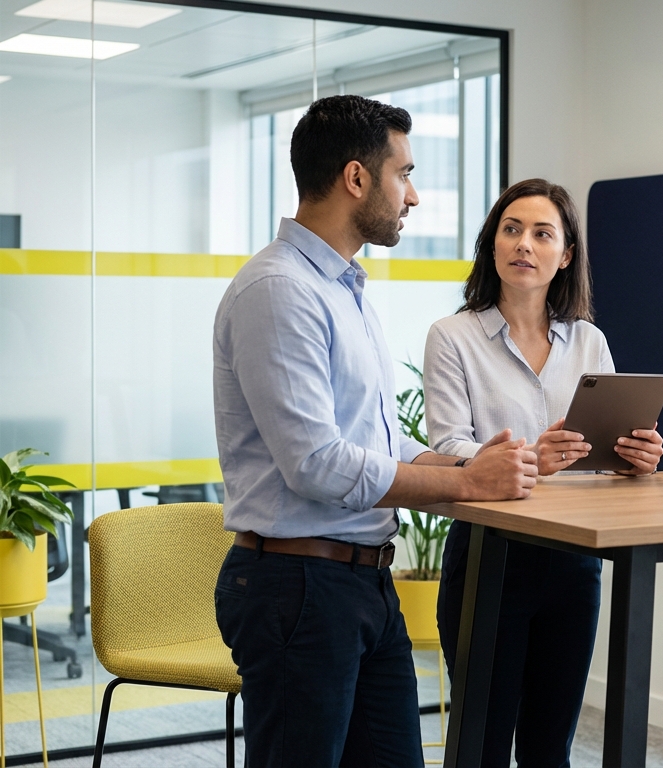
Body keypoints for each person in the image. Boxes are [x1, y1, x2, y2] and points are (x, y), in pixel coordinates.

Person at [212, 95, 538, 767]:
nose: (413, 195)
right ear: (357, 178)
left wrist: (468, 468)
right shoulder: (279, 290)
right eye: (405, 174)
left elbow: (376, 443)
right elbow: (317, 464)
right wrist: (462, 486)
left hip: (362, 583)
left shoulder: (344, 288)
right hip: (298, 586)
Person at [424, 178, 663, 767]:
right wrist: (533, 456)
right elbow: (448, 445)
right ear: (492, 244)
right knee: (482, 741)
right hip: (488, 558)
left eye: (542, 233)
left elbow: (603, 446)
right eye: (511, 230)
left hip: (574, 561)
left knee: (549, 746)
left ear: (567, 254)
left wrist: (634, 456)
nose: (524, 244)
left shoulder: (589, 341)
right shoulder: (452, 337)